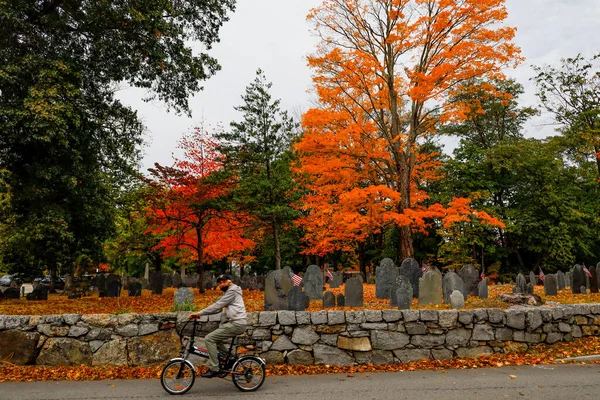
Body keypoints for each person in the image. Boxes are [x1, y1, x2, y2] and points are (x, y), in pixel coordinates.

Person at [188, 274, 247, 378]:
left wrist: (199, 314)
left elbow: (217, 306)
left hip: (237, 324)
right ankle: (231, 358)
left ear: (230, 282)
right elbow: (218, 307)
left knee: (209, 339)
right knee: (217, 340)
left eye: (223, 281)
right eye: (220, 283)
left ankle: (214, 368)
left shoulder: (232, 291)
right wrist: (202, 312)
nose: (221, 284)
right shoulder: (228, 292)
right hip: (234, 323)